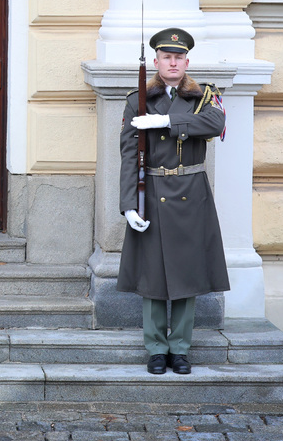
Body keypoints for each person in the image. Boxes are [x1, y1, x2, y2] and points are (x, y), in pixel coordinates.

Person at [117, 27, 229, 375]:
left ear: (187, 62)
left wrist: (166, 119)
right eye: (167, 57)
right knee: (152, 276)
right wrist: (128, 205)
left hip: (191, 191)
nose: (173, 62)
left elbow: (216, 123)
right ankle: (155, 348)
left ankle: (179, 349)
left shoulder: (205, 95)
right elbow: (127, 153)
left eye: (178, 57)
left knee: (187, 274)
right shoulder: (138, 98)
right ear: (156, 61)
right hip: (151, 189)